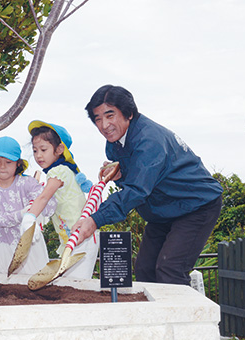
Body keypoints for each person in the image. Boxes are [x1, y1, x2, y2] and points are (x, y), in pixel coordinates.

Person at [73, 84, 223, 285]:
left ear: (129, 114)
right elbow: (140, 176)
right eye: (97, 118)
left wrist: (95, 220)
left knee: (170, 269)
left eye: (110, 115)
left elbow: (137, 190)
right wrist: (119, 174)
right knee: (144, 270)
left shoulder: (149, 140)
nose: (104, 125)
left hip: (196, 205)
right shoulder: (114, 142)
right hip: (164, 210)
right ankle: (157, 317)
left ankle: (181, 316)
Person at [23, 121, 96, 279]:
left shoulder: (59, 171)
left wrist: (30, 217)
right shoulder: (64, 170)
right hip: (75, 238)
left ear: (60, 149)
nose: (38, 155)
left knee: (76, 284)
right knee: (72, 283)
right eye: (35, 151)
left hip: (81, 237)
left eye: (43, 149)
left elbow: (44, 197)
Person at [0, 136, 57, 274]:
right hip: (3, 247)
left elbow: (49, 207)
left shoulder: (28, 183)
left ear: (18, 164)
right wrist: (21, 214)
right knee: (7, 287)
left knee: (36, 283)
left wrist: (47, 196)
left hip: (32, 245)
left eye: (8, 162)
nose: (2, 166)